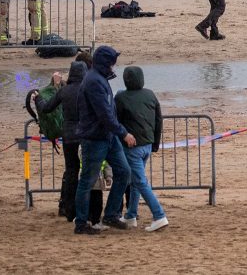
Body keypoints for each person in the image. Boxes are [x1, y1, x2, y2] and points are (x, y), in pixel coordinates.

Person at [73, 45, 136, 235]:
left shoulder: (100, 79)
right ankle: (81, 223)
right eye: (112, 63)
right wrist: (124, 133)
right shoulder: (93, 81)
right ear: (104, 63)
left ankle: (110, 214)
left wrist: (117, 132)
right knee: (87, 181)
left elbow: (110, 110)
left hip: (108, 137)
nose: (114, 67)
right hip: (94, 138)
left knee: (124, 172)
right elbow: (104, 113)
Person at [115, 66, 169, 232]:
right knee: (136, 181)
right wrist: (155, 144)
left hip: (132, 147)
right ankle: (131, 215)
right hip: (147, 144)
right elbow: (158, 120)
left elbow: (115, 120)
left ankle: (159, 215)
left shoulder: (121, 97)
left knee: (140, 181)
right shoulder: (150, 94)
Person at [31, 60, 86, 221]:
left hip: (69, 137)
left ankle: (69, 210)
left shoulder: (65, 91)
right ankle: (84, 208)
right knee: (88, 173)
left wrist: (37, 99)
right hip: (85, 136)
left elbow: (46, 107)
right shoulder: (88, 90)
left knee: (71, 172)